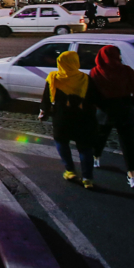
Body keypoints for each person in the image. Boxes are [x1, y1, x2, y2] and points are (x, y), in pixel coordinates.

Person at [38, 51, 97, 189]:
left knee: (62, 142)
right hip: (83, 118)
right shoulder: (85, 78)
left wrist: (43, 111)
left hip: (62, 117)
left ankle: (70, 170)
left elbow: (46, 98)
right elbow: (94, 99)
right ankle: (87, 179)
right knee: (85, 148)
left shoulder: (53, 77)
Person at [89, 46, 134, 188]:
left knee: (101, 135)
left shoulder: (96, 72)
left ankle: (96, 157)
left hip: (105, 109)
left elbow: (92, 93)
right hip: (124, 107)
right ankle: (132, 174)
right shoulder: (126, 70)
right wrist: (133, 101)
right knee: (128, 142)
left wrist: (100, 106)